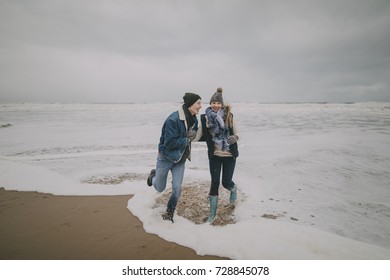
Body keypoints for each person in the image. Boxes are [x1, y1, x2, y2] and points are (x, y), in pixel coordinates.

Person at [147, 92, 202, 223]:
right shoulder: (173, 120)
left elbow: (194, 135)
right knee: (160, 187)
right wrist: (186, 139)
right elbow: (169, 143)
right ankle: (152, 176)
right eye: (198, 103)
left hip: (180, 160)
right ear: (190, 105)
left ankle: (169, 213)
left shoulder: (194, 118)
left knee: (177, 188)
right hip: (166, 158)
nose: (201, 106)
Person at [195, 87, 239, 223]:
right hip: (214, 155)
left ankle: (233, 189)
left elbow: (237, 133)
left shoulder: (229, 116)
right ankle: (212, 214)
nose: (215, 105)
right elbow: (198, 135)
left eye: (218, 103)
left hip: (229, 155)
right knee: (214, 183)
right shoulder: (204, 118)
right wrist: (188, 138)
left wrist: (235, 138)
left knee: (226, 182)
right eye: (213, 103)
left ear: (221, 104)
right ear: (210, 104)